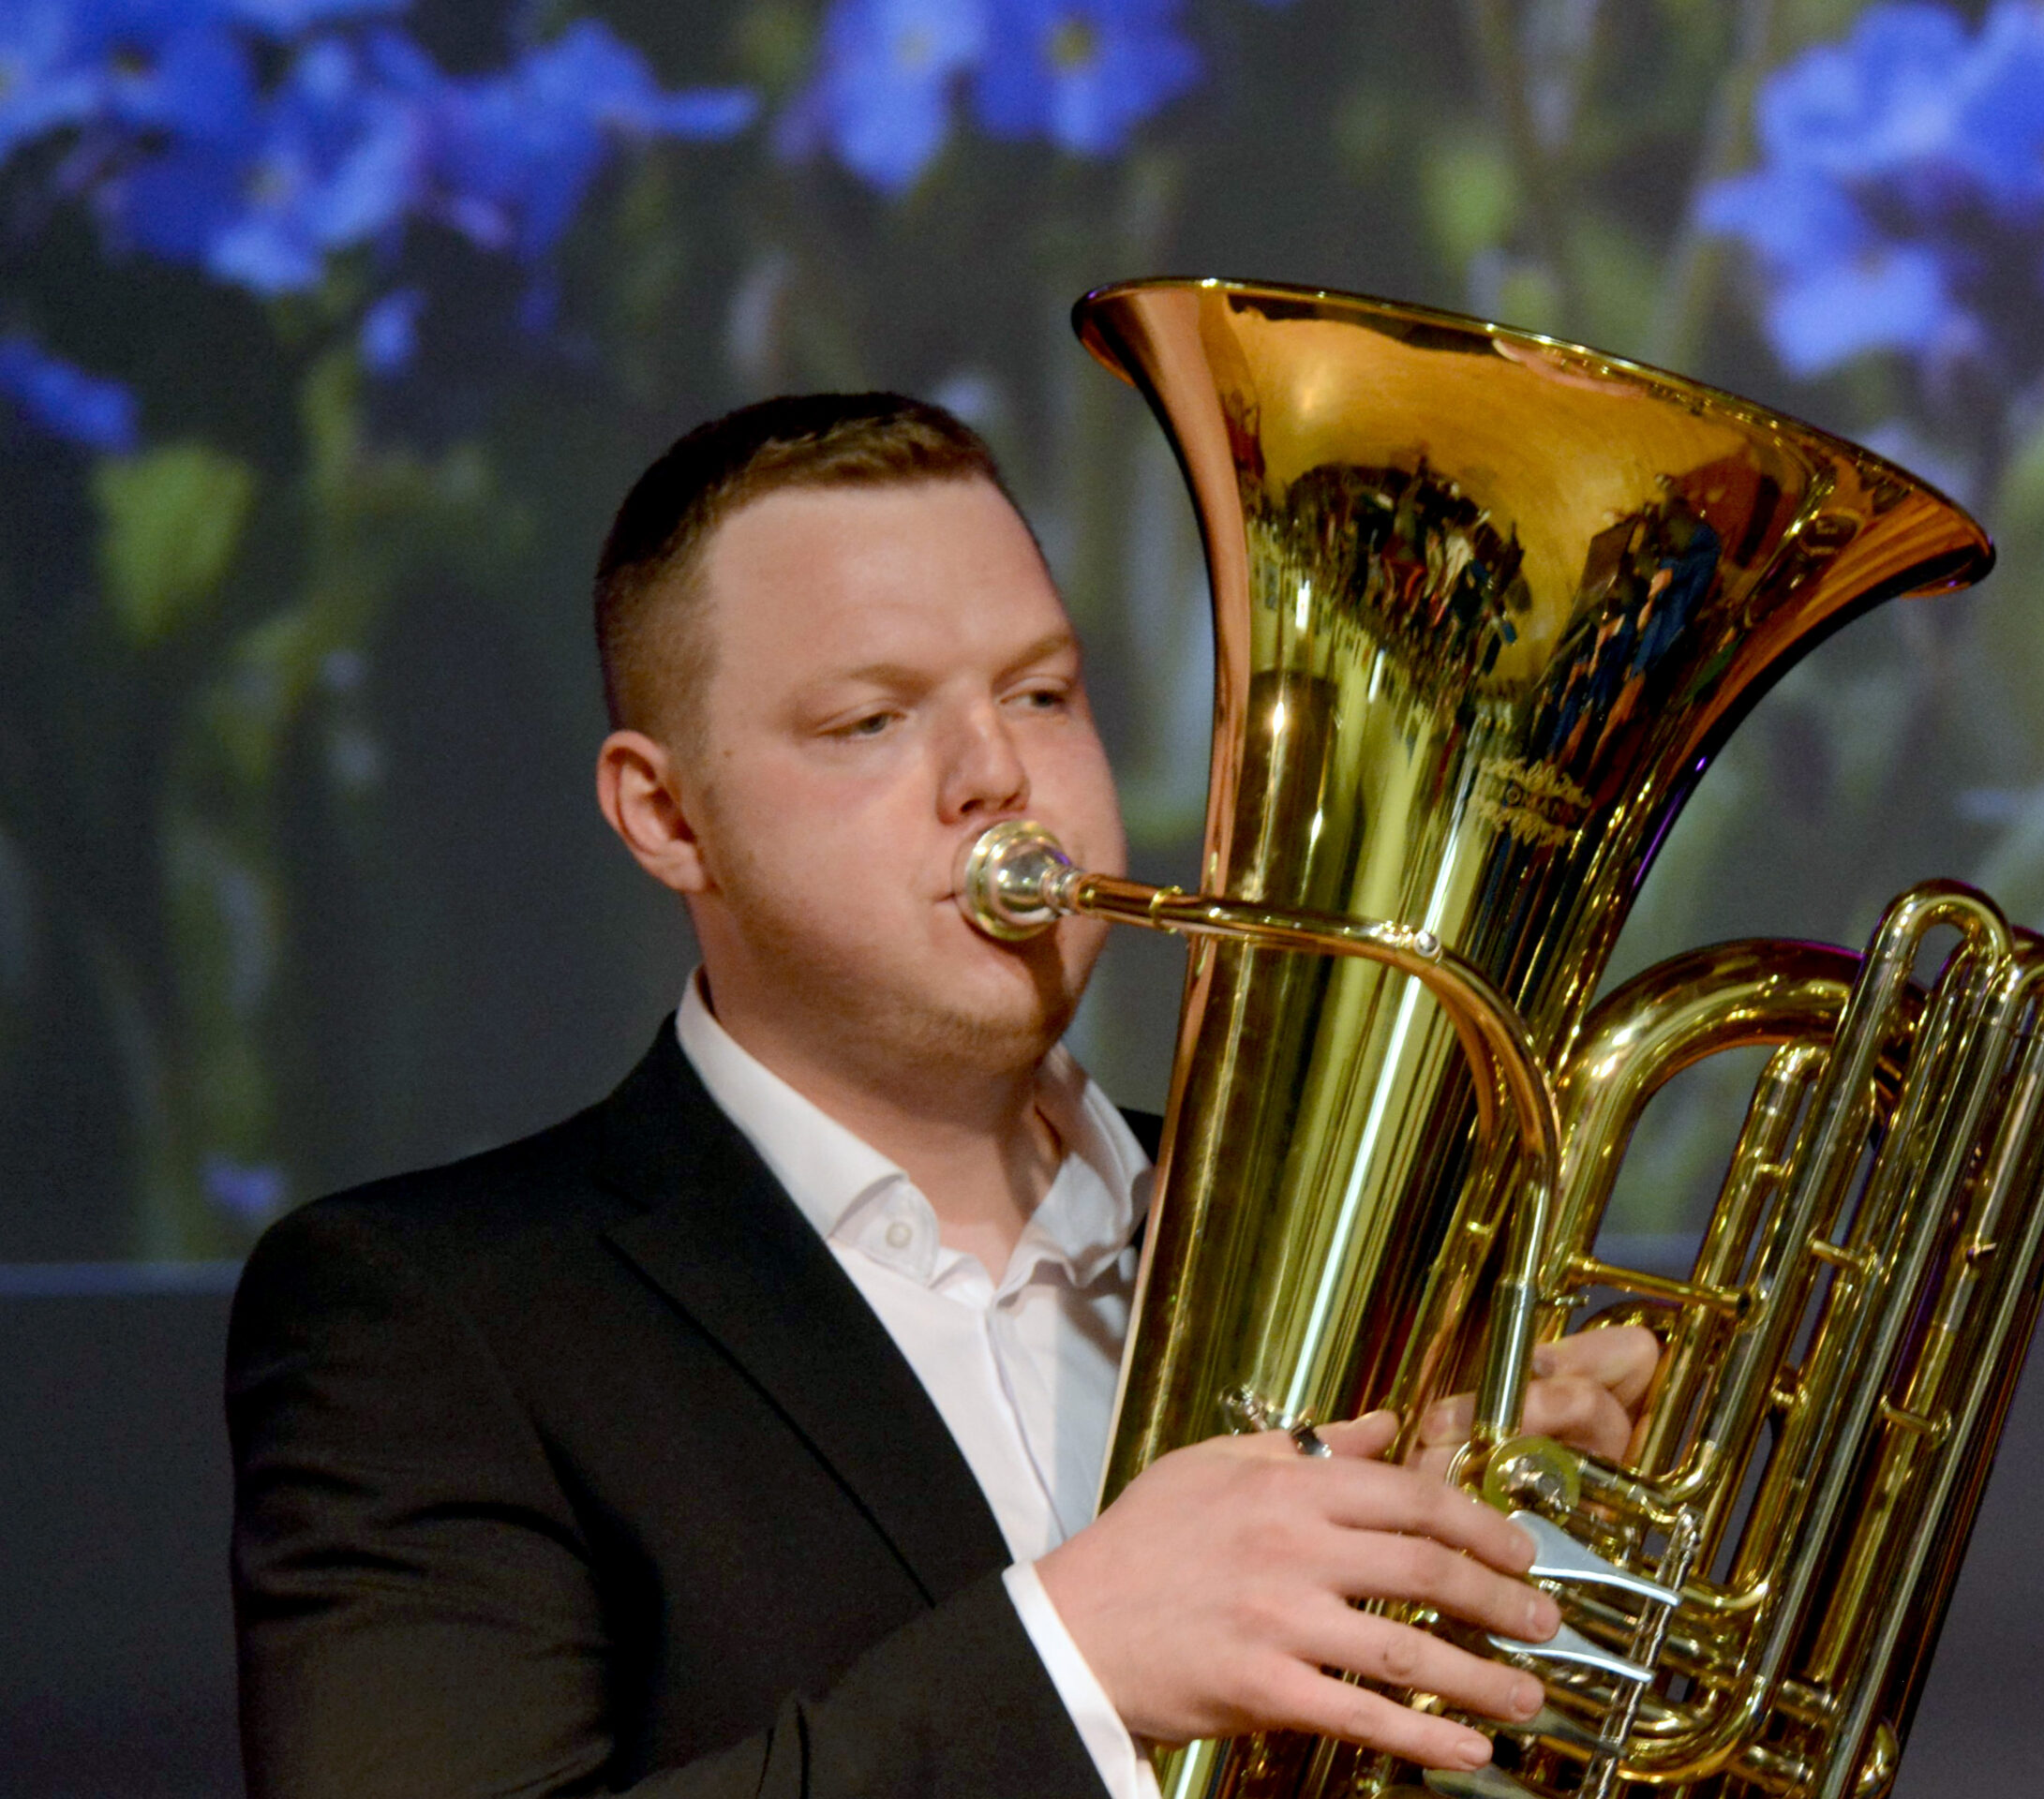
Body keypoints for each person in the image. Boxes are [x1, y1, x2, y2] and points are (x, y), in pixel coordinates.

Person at [226, 394, 1660, 1799]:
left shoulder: (1367, 1275)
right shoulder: (432, 1316)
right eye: (870, 720)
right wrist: (1076, 1660)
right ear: (666, 816)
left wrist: (1547, 1600)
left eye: (1042, 694)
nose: (998, 775)